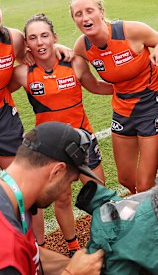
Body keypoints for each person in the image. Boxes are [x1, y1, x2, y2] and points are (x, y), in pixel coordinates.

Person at [9, 13, 112, 256]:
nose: (40, 42)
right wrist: (18, 53)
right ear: (27, 44)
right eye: (33, 38)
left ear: (55, 37)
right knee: (62, 198)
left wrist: (130, 88)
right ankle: (73, 246)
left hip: (82, 140)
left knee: (99, 193)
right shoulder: (22, 73)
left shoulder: (74, 62)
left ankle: (107, 242)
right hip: (50, 148)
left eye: (45, 36)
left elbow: (95, 86)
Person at [69, 0, 158, 194]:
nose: (85, 18)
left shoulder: (131, 31)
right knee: (126, 179)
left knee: (144, 184)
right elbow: (93, 85)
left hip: (153, 105)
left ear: (101, 12)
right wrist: (123, 91)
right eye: (78, 14)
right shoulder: (82, 46)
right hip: (123, 109)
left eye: (90, 11)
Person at [0, 121, 105, 275]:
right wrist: (72, 273)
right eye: (70, 182)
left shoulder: (16, 201)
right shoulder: (6, 248)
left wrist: (90, 266)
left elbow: (34, 256)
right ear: (57, 172)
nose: (65, 190)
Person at [0, 9, 72, 170]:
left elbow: (29, 56)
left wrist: (55, 46)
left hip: (4, 117)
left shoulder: (14, 38)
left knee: (18, 180)